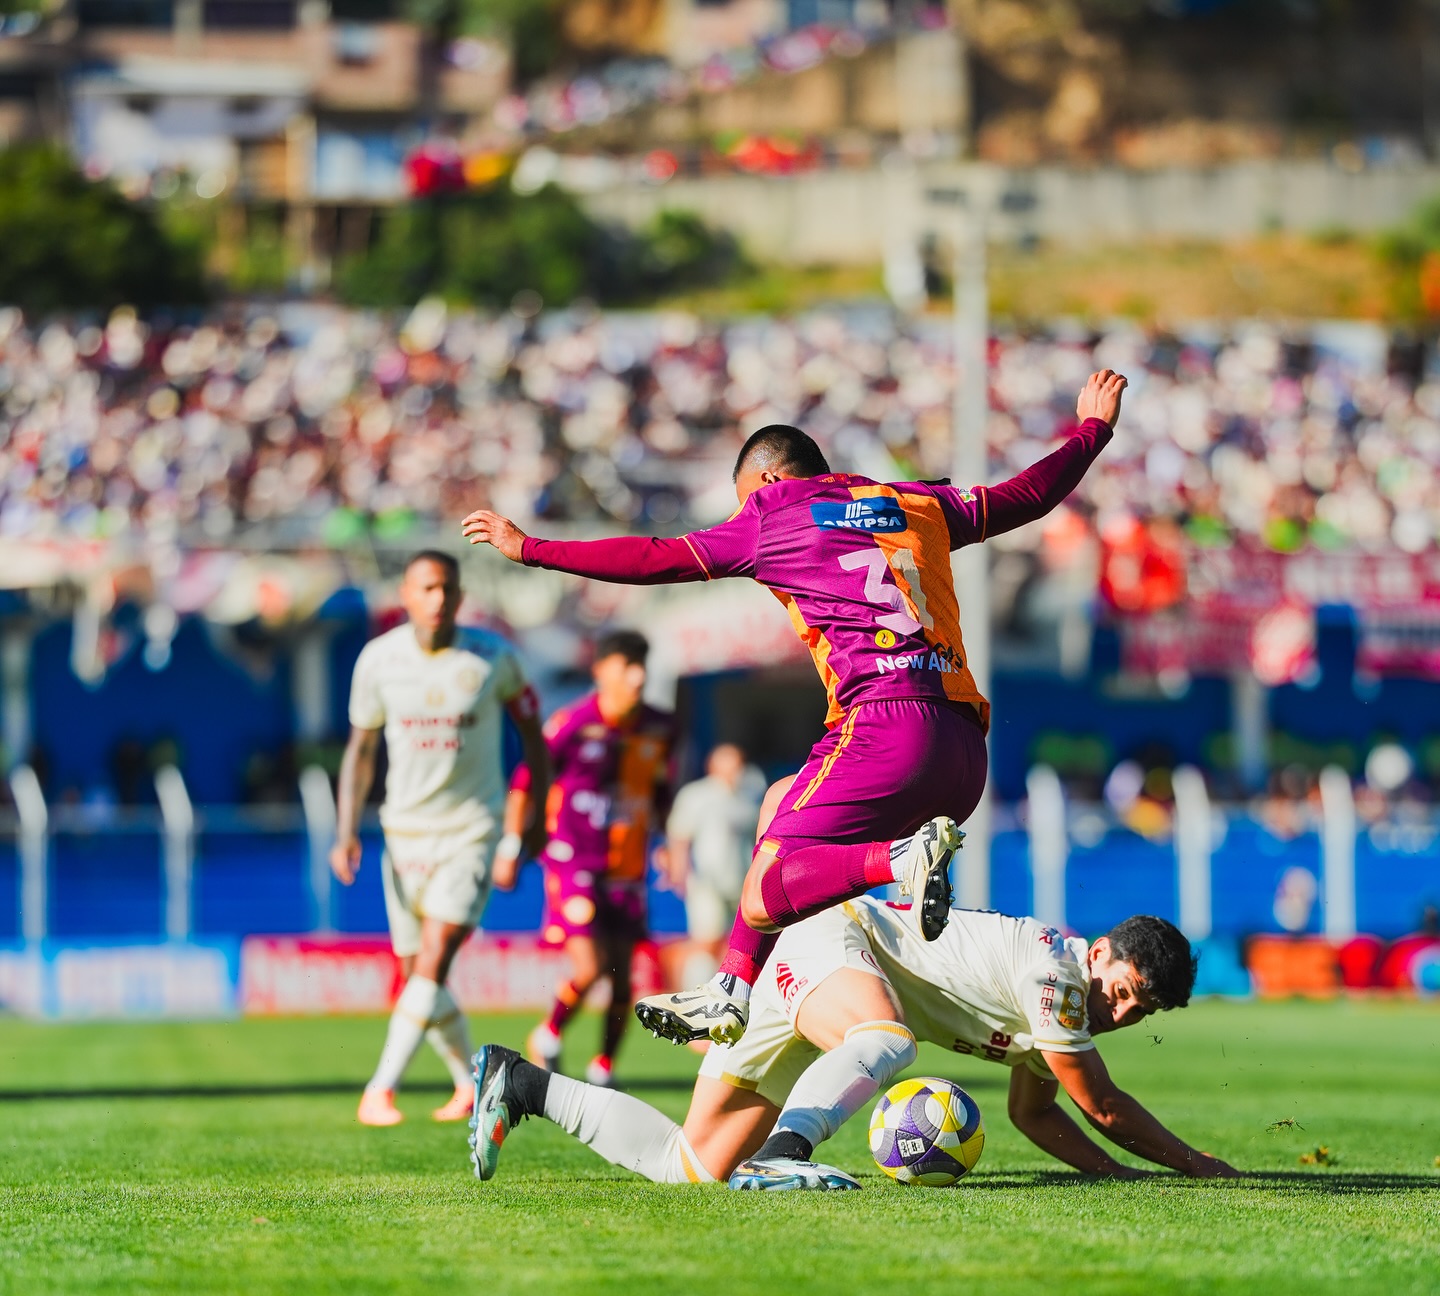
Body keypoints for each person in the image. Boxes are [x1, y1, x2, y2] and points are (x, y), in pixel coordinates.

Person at [461, 370, 1127, 1051]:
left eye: (743, 500)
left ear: (768, 482)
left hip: (884, 728)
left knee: (765, 888)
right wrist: (1092, 429)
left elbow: (658, 558)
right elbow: (1029, 496)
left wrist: (531, 549)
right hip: (962, 751)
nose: (740, 515)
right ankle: (731, 990)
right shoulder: (911, 503)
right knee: (779, 804)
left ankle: (900, 862)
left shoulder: (773, 515)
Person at [468, 899, 1240, 1188]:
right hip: (834, 942)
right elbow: (1100, 1105)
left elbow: (1038, 1117)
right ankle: (788, 1154)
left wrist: (1112, 1178)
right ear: (1099, 952)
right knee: (888, 1037)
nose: (1119, 1007)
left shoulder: (1059, 1015)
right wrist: (1199, 1167)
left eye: (1138, 1008)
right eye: (1122, 986)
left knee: (691, 1168)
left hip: (825, 988)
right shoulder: (1057, 982)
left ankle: (518, 1083)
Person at [331, 550, 550, 1126]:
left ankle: (379, 1089)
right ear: (404, 595)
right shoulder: (378, 661)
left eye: (446, 589)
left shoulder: (493, 658)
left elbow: (535, 738)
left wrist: (530, 820)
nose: (437, 599)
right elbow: (361, 749)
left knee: (430, 962)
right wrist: (346, 829)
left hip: (471, 831)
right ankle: (468, 1082)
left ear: (459, 596)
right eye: (426, 588)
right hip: (403, 835)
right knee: (415, 975)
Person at [518, 630, 675, 1088]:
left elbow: (661, 789)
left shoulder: (661, 726)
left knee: (624, 979)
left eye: (642, 663)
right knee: (589, 967)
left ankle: (603, 1067)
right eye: (628, 664)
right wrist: (514, 844)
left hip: (626, 864)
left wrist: (665, 842)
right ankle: (548, 1034)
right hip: (573, 859)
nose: (639, 675)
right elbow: (527, 779)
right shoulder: (572, 722)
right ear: (602, 671)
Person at [665, 743, 767, 969]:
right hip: (707, 879)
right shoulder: (696, 795)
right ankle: (691, 988)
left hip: (741, 881)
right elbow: (679, 835)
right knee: (706, 939)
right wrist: (678, 870)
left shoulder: (748, 797)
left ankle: (722, 991)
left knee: (735, 943)